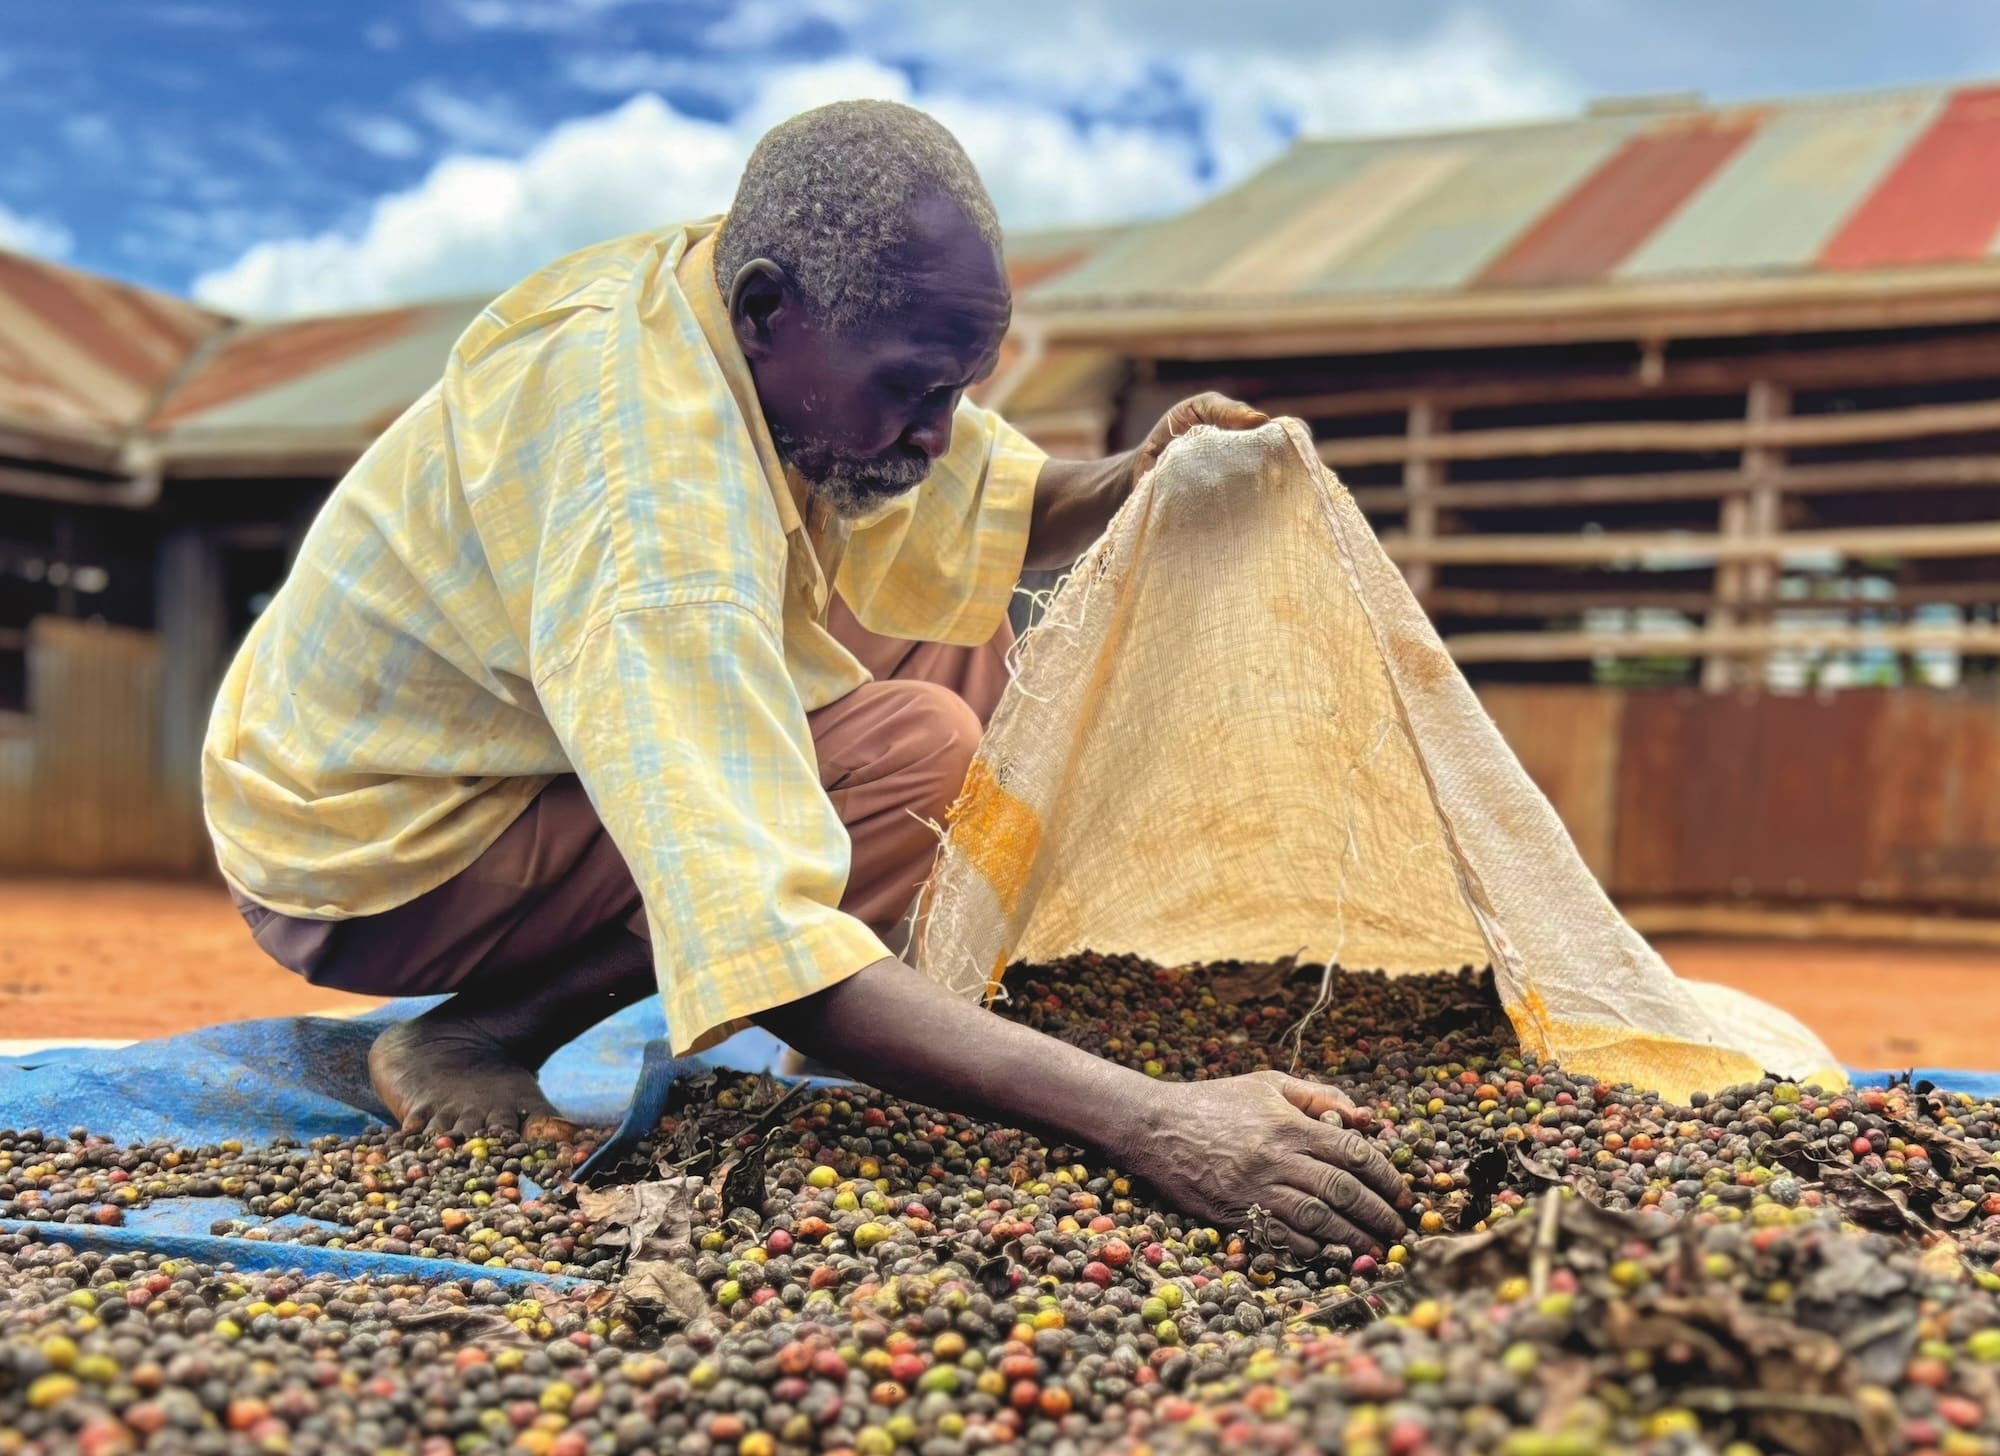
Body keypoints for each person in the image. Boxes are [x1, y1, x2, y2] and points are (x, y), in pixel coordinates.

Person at [203, 101, 1404, 1260]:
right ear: (770, 309)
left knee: (958, 628)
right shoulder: (655, 504)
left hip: (500, 753)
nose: (935, 430)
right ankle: (473, 1036)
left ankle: (905, 1007)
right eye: (911, 390)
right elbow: (761, 932)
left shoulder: (734, 313)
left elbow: (985, 503)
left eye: (958, 390)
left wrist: (1147, 474)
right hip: (376, 846)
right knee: (916, 756)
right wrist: (1156, 1118)